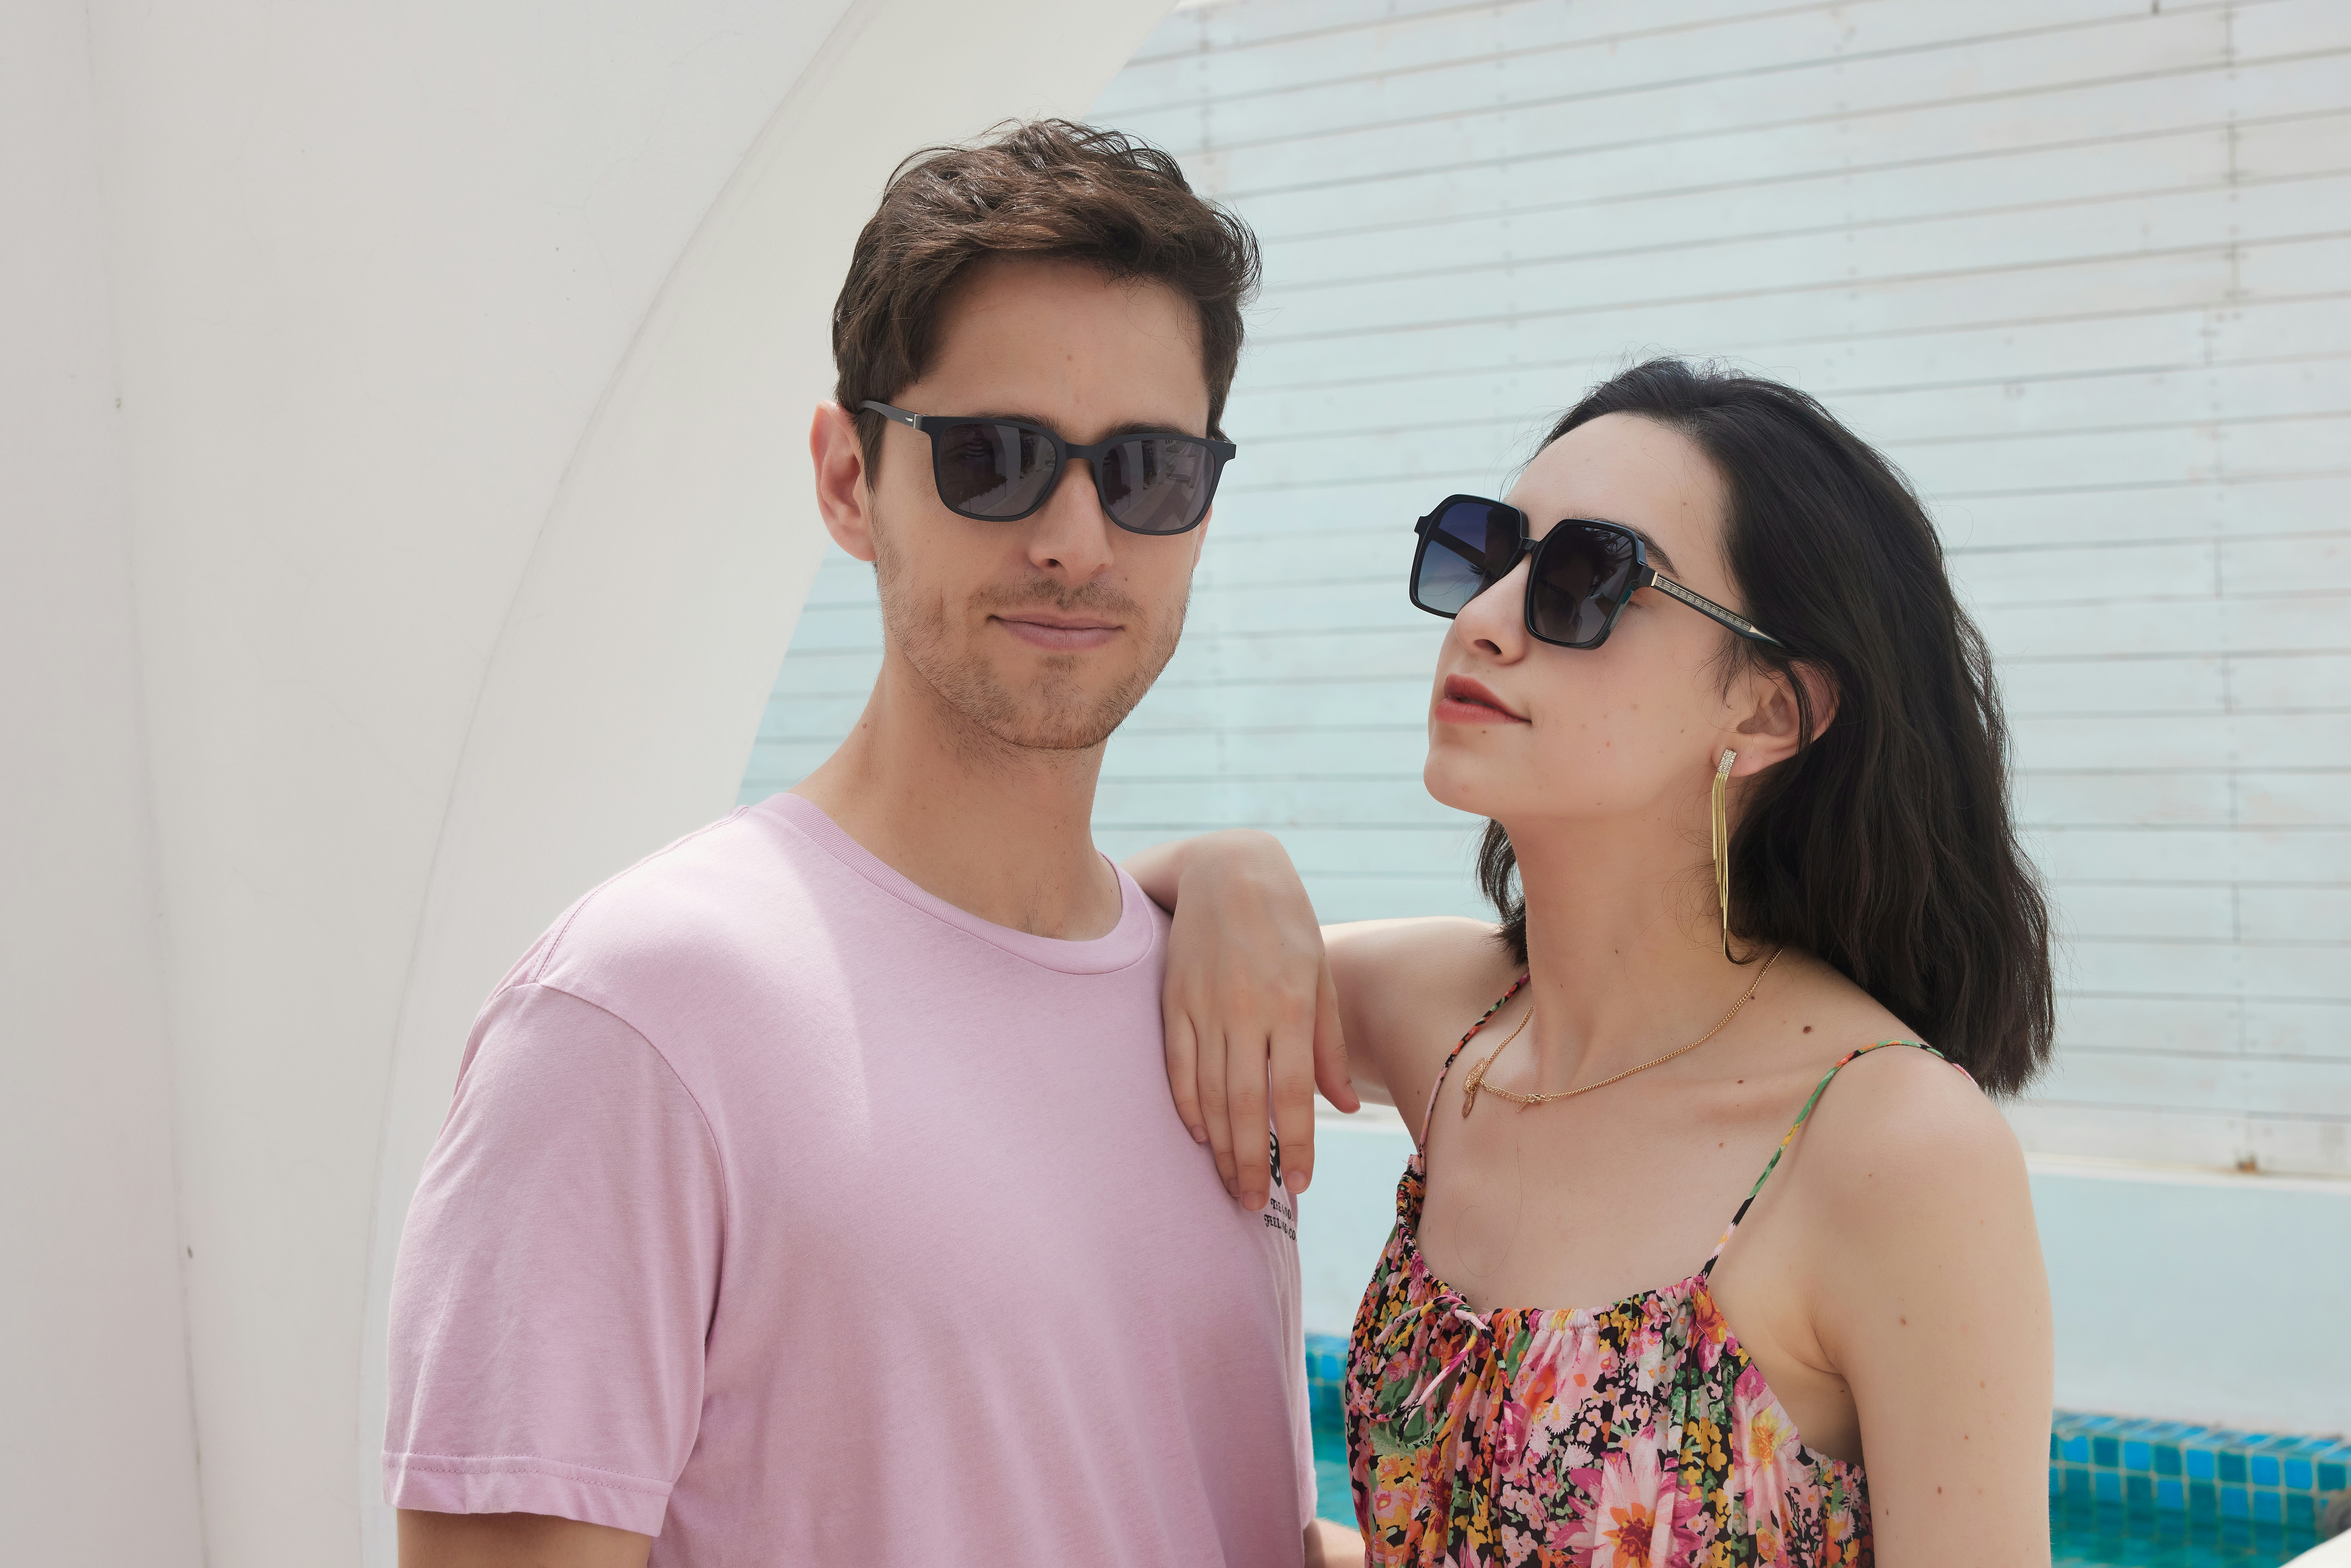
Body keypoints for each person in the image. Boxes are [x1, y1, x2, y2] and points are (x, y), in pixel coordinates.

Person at [384, 120, 1360, 1568]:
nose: (1078, 539)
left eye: (1149, 469)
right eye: (997, 457)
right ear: (850, 479)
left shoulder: (1209, 1005)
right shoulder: (637, 1015)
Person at [1135, 360, 2058, 1565]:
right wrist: (1226, 865)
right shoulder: (1447, 1022)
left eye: (1583, 580)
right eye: (1485, 554)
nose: (1483, 619)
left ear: (1767, 712)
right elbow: (1068, 944)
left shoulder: (1891, 1147)